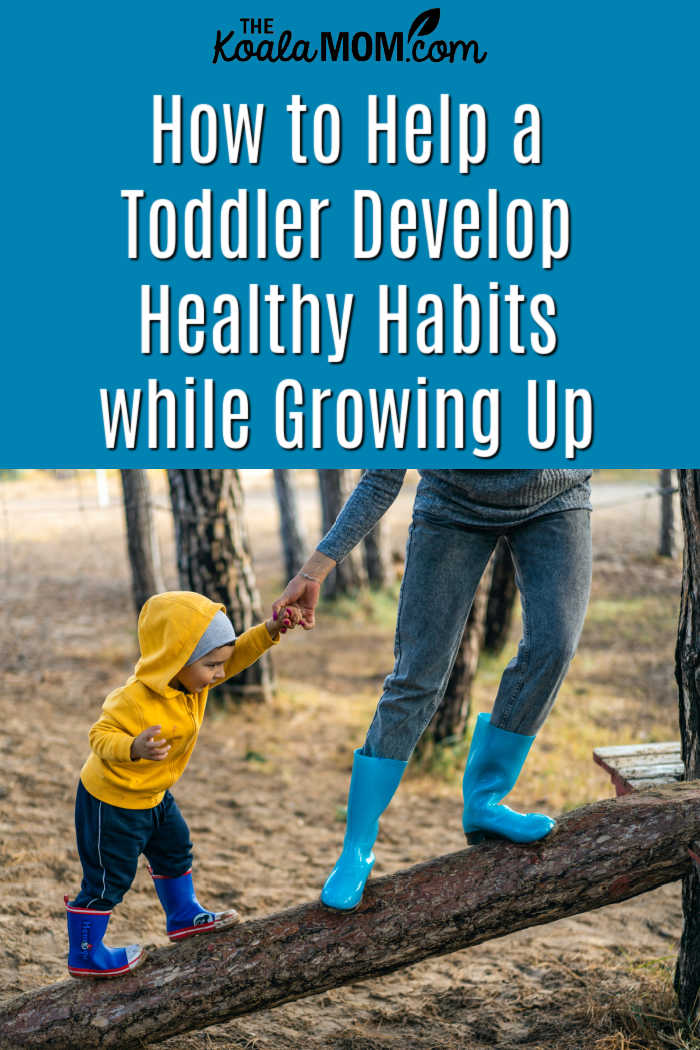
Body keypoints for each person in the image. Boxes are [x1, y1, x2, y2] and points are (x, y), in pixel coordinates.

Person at [273, 468, 593, 911]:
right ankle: (357, 848)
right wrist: (316, 568)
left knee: (554, 649)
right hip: (452, 504)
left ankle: (485, 800)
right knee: (416, 677)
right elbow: (381, 477)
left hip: (557, 496)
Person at [66, 590, 300, 978]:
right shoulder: (134, 699)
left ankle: (183, 915)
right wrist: (133, 747)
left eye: (219, 664)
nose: (220, 673)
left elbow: (236, 655)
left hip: (155, 795)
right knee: (109, 879)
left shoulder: (194, 681)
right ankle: (86, 953)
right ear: (176, 660)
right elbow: (98, 735)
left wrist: (270, 630)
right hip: (114, 801)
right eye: (211, 665)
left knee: (175, 849)